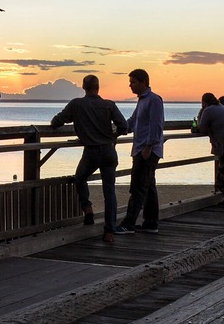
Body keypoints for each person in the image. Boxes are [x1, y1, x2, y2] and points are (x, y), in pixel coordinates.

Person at [49, 74, 128, 243]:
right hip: (108, 151)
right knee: (110, 192)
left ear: (83, 87)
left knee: (80, 178)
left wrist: (76, 121)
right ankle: (110, 232)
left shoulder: (77, 104)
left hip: (91, 152)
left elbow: (56, 122)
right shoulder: (109, 105)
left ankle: (87, 208)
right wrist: (113, 136)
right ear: (98, 87)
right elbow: (124, 126)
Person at [116, 68, 164, 235]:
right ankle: (151, 223)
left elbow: (156, 125)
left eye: (133, 82)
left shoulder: (154, 100)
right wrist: (117, 129)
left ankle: (128, 223)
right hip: (140, 148)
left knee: (138, 187)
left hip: (147, 150)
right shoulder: (142, 101)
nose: (130, 85)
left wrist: (149, 147)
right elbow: (133, 121)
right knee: (149, 186)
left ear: (143, 82)